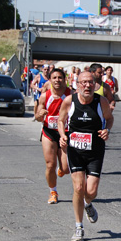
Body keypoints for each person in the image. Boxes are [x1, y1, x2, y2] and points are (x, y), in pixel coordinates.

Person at [58, 71, 114, 241]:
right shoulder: (69, 101)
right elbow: (61, 120)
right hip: (75, 150)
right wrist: (62, 135)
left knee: (90, 192)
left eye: (90, 82)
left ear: (94, 84)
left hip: (95, 151)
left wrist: (107, 130)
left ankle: (88, 204)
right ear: (77, 84)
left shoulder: (101, 101)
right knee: (78, 188)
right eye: (83, 82)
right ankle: (78, 227)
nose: (87, 86)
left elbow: (109, 119)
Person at [34, 68, 71, 204]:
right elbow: (37, 117)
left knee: (66, 168)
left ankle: (62, 169)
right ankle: (53, 192)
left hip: (65, 133)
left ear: (64, 79)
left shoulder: (70, 95)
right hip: (49, 132)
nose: (57, 80)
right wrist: (40, 114)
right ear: (50, 80)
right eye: (54, 78)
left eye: (60, 77)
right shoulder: (45, 96)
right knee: (50, 164)